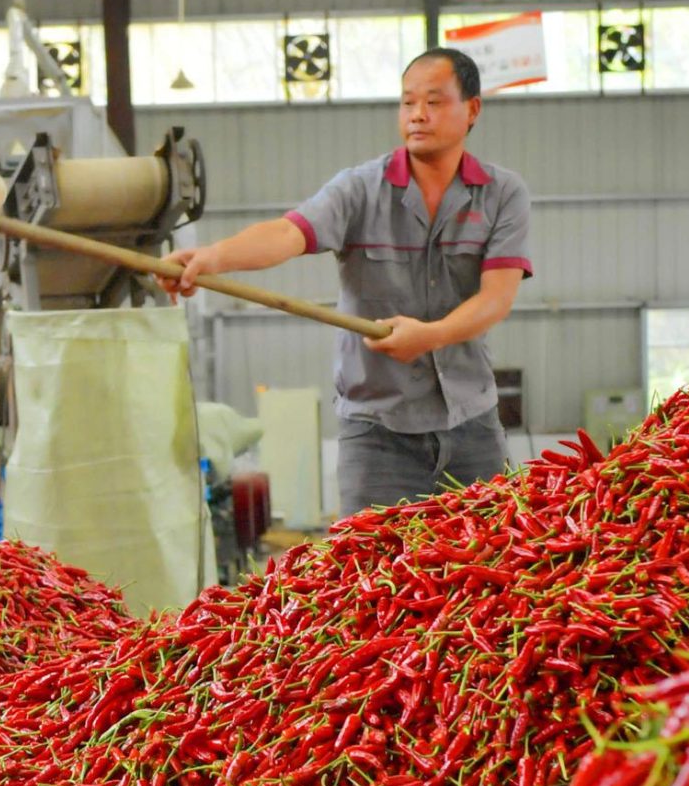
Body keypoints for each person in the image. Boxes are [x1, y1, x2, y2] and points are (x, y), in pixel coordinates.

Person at [164, 48, 532, 515]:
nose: (417, 115)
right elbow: (287, 233)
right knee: (369, 579)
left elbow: (496, 299)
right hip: (377, 437)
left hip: (472, 429)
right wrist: (212, 257)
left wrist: (430, 337)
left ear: (473, 109)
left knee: (489, 567)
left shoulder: (503, 194)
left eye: (434, 102)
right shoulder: (359, 189)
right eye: (407, 102)